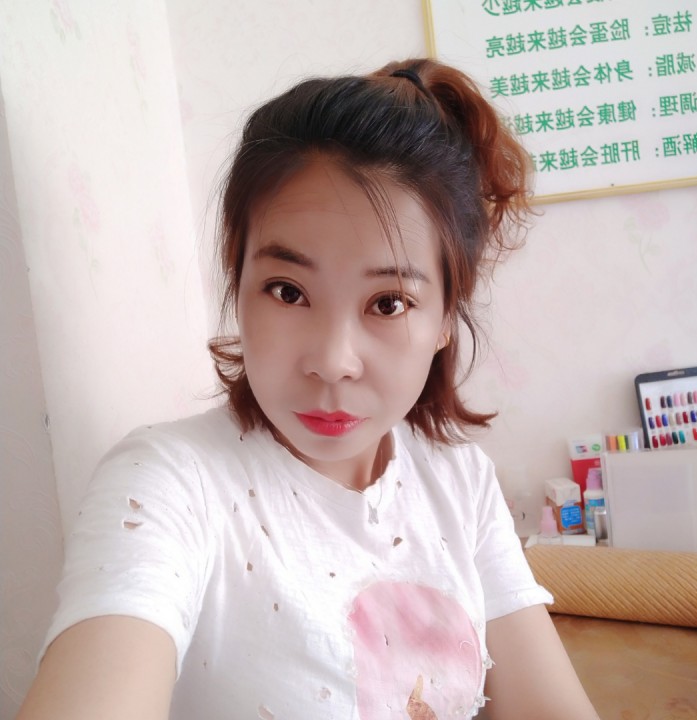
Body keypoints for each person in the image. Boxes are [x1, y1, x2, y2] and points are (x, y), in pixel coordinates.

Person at [16, 58, 599, 720]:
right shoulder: (169, 484)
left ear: (446, 317)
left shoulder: (460, 484)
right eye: (288, 291)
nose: (332, 362)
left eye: (388, 303)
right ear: (239, 280)